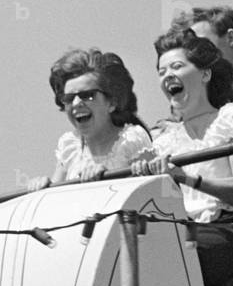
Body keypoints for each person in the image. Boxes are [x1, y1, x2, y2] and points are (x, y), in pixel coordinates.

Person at [131, 29, 233, 286]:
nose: (168, 75)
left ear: (205, 74)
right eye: (161, 70)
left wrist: (188, 179)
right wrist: (146, 176)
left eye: (177, 66)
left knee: (173, 256)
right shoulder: (164, 141)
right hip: (188, 229)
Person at [28, 48, 153, 191]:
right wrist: (42, 186)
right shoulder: (69, 146)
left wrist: (107, 178)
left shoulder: (132, 138)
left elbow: (155, 193)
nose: (76, 104)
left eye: (87, 95)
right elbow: (54, 196)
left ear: (111, 103)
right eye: (69, 99)